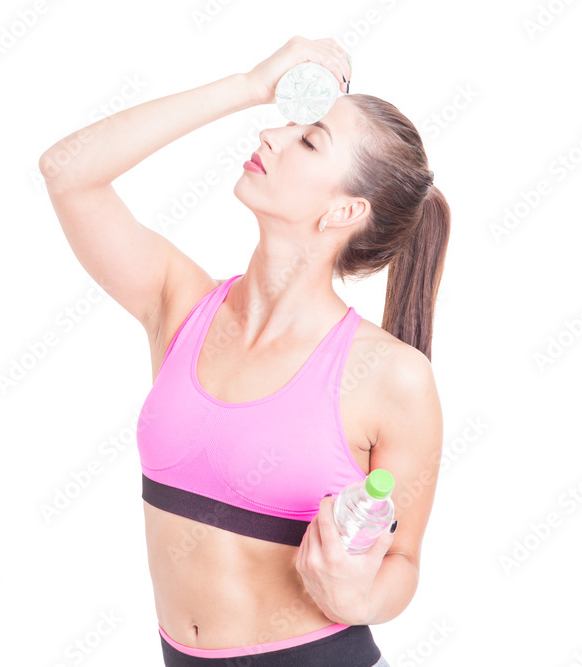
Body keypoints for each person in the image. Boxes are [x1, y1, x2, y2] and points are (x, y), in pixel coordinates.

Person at [39, 35, 448, 667]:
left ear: (344, 211)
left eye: (309, 139)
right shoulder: (179, 306)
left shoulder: (391, 376)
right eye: (287, 123)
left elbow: (403, 565)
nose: (273, 137)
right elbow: (68, 171)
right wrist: (249, 85)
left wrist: (361, 597)